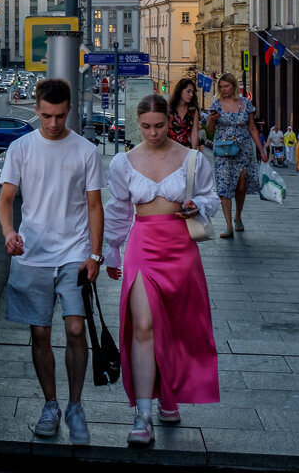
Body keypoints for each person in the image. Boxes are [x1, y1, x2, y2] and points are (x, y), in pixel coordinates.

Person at [104, 94, 220, 447]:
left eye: (159, 125)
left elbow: (211, 198)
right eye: (146, 127)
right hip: (142, 247)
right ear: (136, 124)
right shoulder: (123, 163)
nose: (153, 133)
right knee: (142, 325)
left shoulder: (193, 159)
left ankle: (169, 397)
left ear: (170, 121)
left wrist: (195, 204)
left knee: (178, 326)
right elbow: (120, 211)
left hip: (180, 249)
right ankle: (142, 414)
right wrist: (110, 252)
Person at [0, 78, 104, 445]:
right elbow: (6, 199)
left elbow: (94, 206)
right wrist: (9, 233)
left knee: (76, 329)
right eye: (46, 116)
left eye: (59, 116)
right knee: (39, 332)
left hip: (74, 253)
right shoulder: (21, 148)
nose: (53, 124)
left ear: (69, 110)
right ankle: (51, 404)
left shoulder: (86, 151)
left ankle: (75, 404)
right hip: (32, 254)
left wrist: (95, 253)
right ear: (36, 108)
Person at [206, 73, 266, 238]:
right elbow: (209, 132)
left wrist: (261, 150)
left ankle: (238, 215)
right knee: (224, 187)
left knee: (241, 186)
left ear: (233, 86)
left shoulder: (246, 103)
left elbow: (252, 128)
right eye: (221, 87)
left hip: (244, 150)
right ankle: (228, 226)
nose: (223, 90)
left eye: (226, 86)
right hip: (223, 151)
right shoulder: (216, 105)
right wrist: (211, 121)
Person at [166, 78, 200, 150]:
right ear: (180, 90)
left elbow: (194, 133)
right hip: (170, 150)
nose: (191, 95)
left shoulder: (193, 111)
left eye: (192, 92)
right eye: (188, 91)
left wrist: (193, 153)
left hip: (186, 150)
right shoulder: (169, 109)